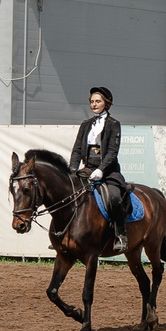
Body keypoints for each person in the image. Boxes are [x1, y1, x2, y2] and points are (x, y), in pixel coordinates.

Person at [70, 86, 126, 226]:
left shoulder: (114, 124)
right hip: (88, 169)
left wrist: (101, 169)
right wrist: (71, 170)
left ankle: (120, 234)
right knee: (68, 193)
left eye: (98, 101)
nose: (94, 104)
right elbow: (77, 149)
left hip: (109, 171)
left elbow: (113, 151)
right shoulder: (85, 124)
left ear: (105, 103)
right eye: (92, 101)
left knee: (114, 197)